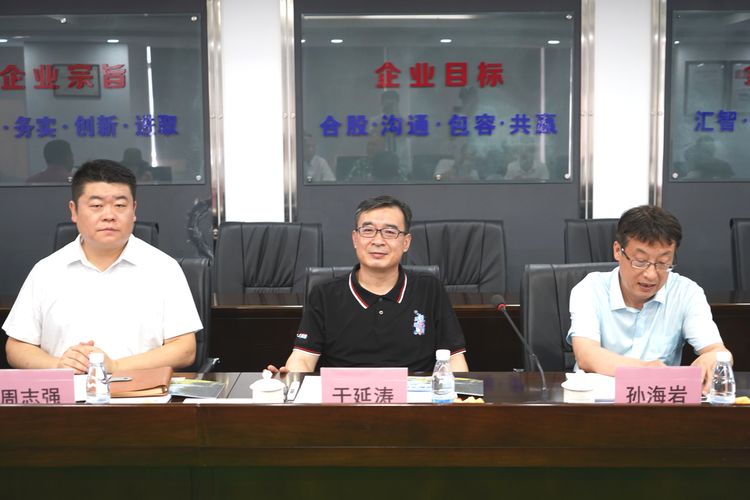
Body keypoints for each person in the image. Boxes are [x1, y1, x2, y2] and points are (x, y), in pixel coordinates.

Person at [4, 159, 201, 374]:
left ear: (134, 210)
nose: (109, 216)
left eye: (120, 205)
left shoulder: (164, 269)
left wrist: (116, 367)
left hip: (140, 392)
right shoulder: (46, 271)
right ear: (74, 211)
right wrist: (59, 366)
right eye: (96, 206)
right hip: (67, 393)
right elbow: (17, 347)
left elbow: (185, 349)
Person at [269, 195, 468, 373]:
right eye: (368, 231)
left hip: (414, 398)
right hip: (344, 397)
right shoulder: (324, 294)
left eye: (389, 232)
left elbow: (454, 357)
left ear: (406, 242)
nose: (378, 241)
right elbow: (303, 358)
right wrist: (289, 381)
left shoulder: (429, 289)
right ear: (355, 239)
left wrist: (458, 397)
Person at [567, 205, 731, 391]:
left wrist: (714, 357)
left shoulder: (686, 292)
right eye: (640, 262)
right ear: (618, 251)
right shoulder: (589, 289)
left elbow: (719, 351)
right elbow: (586, 355)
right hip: (596, 401)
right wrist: (645, 369)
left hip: (658, 401)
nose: (651, 275)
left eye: (663, 263)